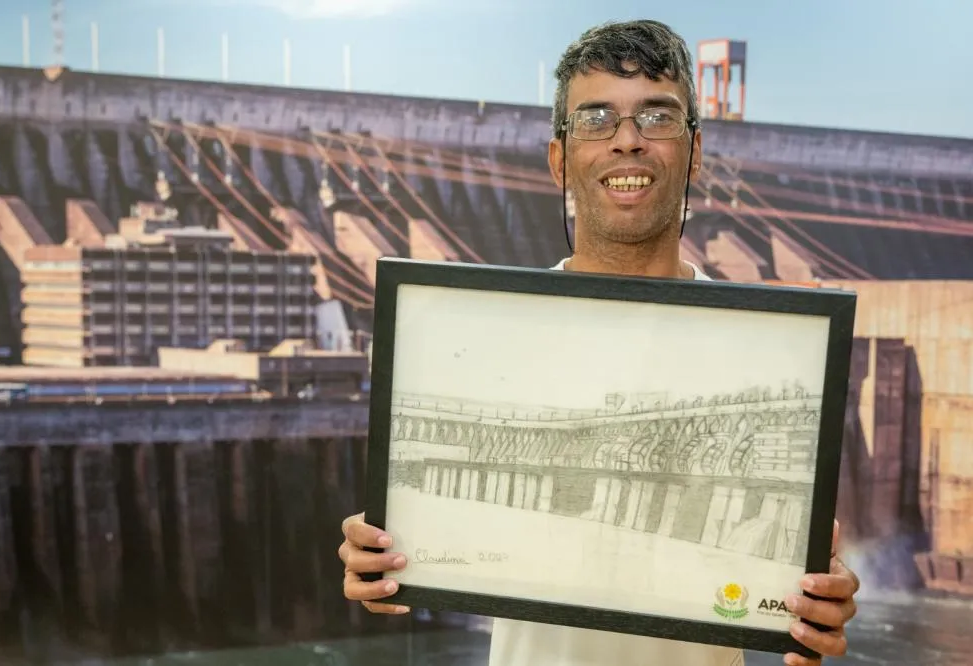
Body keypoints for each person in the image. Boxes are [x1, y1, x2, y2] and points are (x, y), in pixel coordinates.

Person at [338, 19, 860, 666]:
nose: (628, 142)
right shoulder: (495, 337)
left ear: (695, 152)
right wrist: (386, 556)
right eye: (597, 119)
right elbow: (435, 545)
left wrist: (807, 597)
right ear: (559, 157)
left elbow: (776, 587)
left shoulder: (761, 347)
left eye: (657, 118)